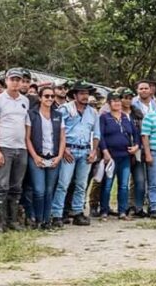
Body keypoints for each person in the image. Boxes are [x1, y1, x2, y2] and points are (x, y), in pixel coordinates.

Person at [52, 79, 99, 227]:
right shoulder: (65, 110)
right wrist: (63, 148)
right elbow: (57, 131)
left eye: (87, 93)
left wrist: (94, 151)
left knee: (81, 184)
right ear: (75, 95)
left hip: (85, 150)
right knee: (63, 183)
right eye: (82, 93)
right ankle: (57, 214)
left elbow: (96, 134)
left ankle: (78, 212)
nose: (85, 96)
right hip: (69, 149)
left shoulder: (93, 112)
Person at [0, 67, 31, 233]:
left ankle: (12, 220)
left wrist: (26, 143)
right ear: (6, 80)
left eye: (18, 79)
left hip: (20, 147)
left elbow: (26, 123)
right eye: (12, 79)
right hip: (4, 147)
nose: (15, 82)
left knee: (16, 186)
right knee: (1, 186)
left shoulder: (24, 100)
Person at [25, 85, 65, 228]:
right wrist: (35, 156)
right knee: (39, 190)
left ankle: (46, 220)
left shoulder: (58, 115)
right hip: (37, 156)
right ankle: (37, 218)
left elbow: (62, 138)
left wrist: (59, 156)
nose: (49, 99)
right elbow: (27, 138)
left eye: (52, 96)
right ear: (40, 98)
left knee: (49, 191)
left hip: (53, 156)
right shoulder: (32, 114)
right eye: (46, 96)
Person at [98, 90, 138, 220]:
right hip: (111, 156)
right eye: (114, 101)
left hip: (125, 156)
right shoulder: (104, 117)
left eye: (118, 100)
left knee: (124, 185)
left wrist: (136, 146)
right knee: (108, 184)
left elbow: (136, 134)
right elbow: (101, 136)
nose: (117, 103)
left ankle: (122, 211)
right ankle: (104, 210)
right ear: (109, 103)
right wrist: (104, 151)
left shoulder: (126, 117)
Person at [121, 88, 148, 217]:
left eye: (129, 97)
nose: (127, 100)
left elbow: (143, 132)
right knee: (123, 182)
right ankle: (124, 207)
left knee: (140, 181)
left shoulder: (137, 113)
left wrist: (138, 146)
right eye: (124, 97)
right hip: (120, 151)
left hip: (137, 151)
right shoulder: (113, 112)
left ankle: (138, 207)